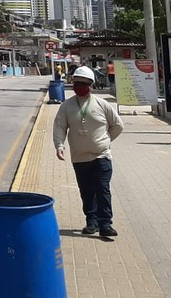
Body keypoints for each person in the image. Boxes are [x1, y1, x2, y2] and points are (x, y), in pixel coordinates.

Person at [52, 65, 124, 237]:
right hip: (80, 157)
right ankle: (91, 222)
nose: (79, 86)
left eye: (83, 83)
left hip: (101, 155)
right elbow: (59, 127)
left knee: (102, 189)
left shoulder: (102, 104)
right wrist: (59, 146)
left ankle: (105, 224)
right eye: (76, 83)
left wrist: (105, 141)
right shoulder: (67, 106)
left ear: (90, 85)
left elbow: (117, 125)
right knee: (86, 191)